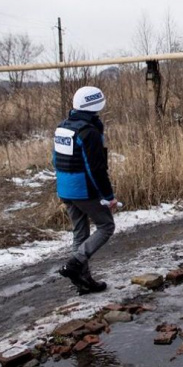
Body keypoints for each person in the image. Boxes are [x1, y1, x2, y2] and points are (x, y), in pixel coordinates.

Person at [54, 86, 117, 294]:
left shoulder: (63, 127)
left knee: (80, 234)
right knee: (106, 226)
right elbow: (96, 169)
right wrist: (109, 197)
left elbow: (55, 160)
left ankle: (84, 282)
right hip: (83, 190)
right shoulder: (88, 132)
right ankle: (75, 263)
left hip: (65, 189)